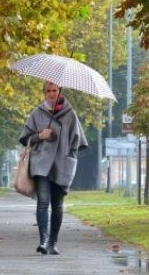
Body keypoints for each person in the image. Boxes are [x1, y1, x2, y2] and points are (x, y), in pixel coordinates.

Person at [19, 81, 88, 255]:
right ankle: (43, 240)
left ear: (60, 92)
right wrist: (40, 135)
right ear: (44, 93)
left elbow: (79, 142)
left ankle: (53, 242)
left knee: (57, 205)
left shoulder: (70, 114)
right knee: (43, 202)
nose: (51, 94)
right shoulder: (37, 113)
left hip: (62, 164)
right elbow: (25, 138)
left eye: (54, 90)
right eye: (48, 91)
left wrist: (68, 153)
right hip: (41, 164)